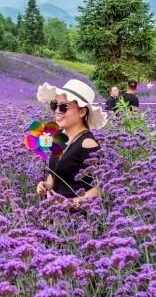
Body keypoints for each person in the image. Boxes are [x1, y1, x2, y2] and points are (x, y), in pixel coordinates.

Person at [34, 79, 107, 208]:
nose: (57, 111)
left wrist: (71, 204)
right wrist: (47, 185)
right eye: (54, 105)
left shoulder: (87, 143)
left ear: (82, 112)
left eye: (63, 107)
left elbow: (102, 187)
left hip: (79, 220)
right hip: (56, 214)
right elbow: (56, 172)